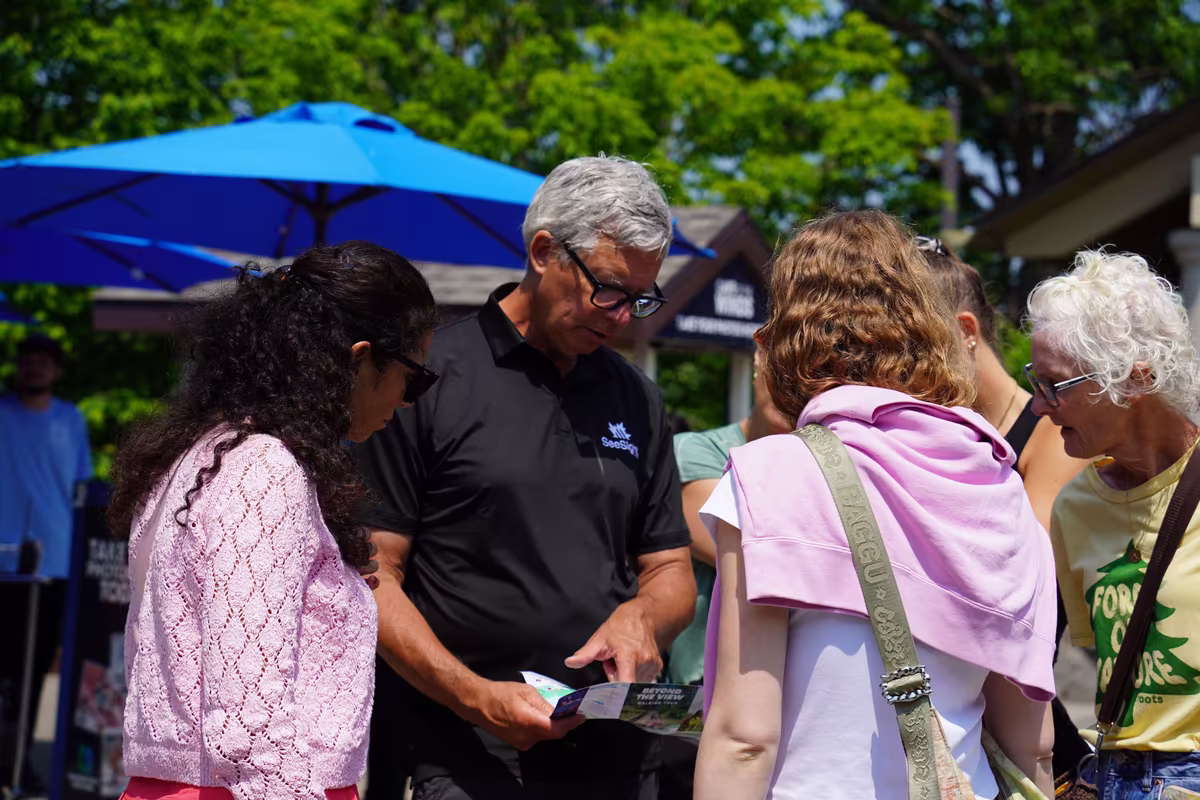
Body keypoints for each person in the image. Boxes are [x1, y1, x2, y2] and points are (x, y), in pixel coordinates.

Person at [353, 155, 695, 800]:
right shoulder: (428, 377)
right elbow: (373, 574)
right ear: (543, 252)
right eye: (609, 290)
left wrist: (643, 618)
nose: (622, 316)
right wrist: (474, 695)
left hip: (619, 756)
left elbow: (671, 570)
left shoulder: (636, 396)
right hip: (466, 753)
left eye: (639, 298)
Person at [695, 210, 1058, 799]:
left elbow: (745, 739)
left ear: (788, 336)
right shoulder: (997, 484)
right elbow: (1031, 744)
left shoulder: (771, 475)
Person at [107, 242, 440, 800]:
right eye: (415, 377)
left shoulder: (203, 451)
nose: (410, 401)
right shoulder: (264, 468)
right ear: (359, 360)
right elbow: (248, 727)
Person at [919, 236, 1092, 781]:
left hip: (1031, 751)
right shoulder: (929, 439)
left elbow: (1016, 598)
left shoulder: (1056, 437)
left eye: (910, 342)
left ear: (965, 333)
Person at [1027, 249, 1200, 795]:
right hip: (1113, 776)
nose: (1038, 407)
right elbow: (1095, 666)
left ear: (1133, 379)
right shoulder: (1075, 506)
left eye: (1054, 385)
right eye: (1034, 381)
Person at [658, 349, 792, 799]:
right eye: (781, 370)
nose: (790, 387)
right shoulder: (695, 452)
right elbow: (757, 559)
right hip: (698, 708)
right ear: (758, 360)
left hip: (789, 705)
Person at [0, 333, 92, 789]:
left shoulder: (71, 419)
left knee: (33, 670)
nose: (34, 367)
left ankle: (18, 763)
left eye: (43, 361)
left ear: (56, 371)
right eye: (27, 360)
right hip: (3, 561)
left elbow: (81, 489)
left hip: (54, 562)